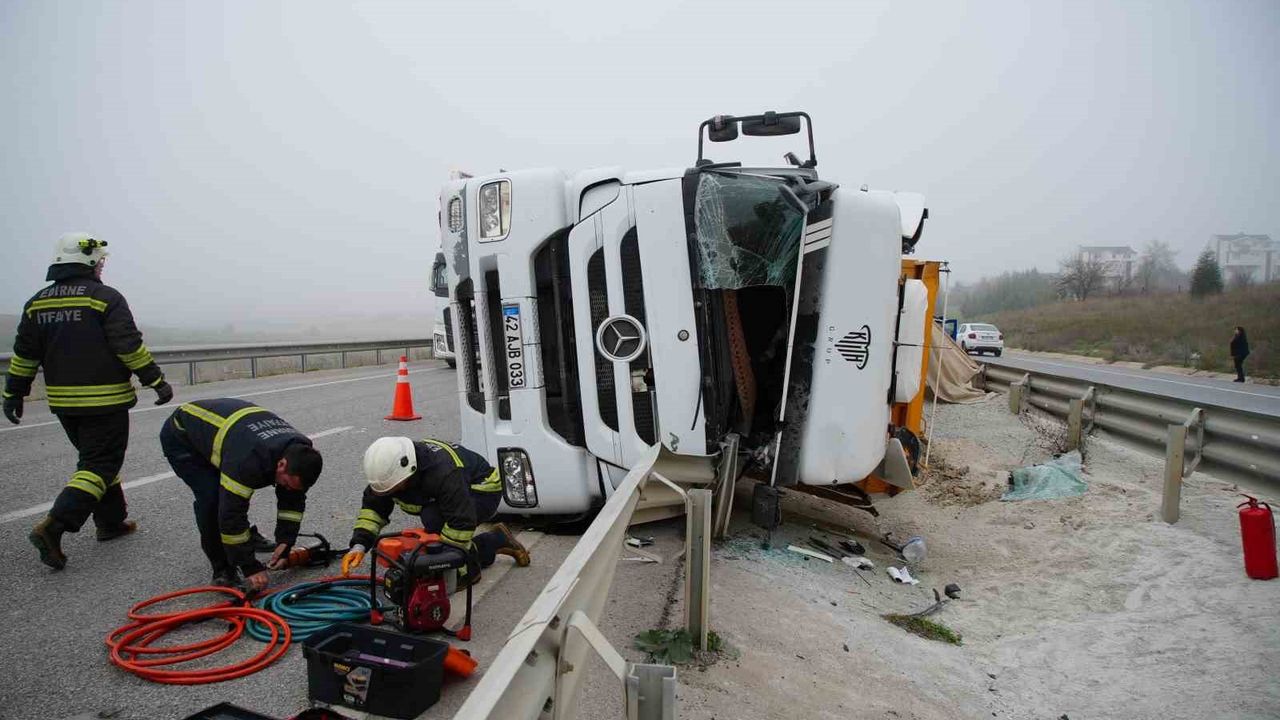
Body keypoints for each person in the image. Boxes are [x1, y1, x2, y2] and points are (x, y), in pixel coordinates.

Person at [4, 233, 173, 570]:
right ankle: (54, 527)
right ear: (90, 261)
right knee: (99, 464)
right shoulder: (104, 298)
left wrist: (13, 392)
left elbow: (24, 355)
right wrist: (155, 380)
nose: (102, 266)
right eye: (101, 261)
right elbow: (128, 346)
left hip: (64, 404)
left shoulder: (37, 303)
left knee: (97, 460)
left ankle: (111, 521)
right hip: (105, 400)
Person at [159, 398, 323, 591]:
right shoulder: (248, 460)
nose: (287, 488)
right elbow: (231, 514)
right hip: (183, 437)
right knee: (213, 499)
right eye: (286, 483)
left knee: (235, 494)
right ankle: (222, 569)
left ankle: (247, 538)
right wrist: (249, 566)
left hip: (233, 436)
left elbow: (292, 501)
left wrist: (286, 542)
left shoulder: (300, 454)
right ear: (281, 464)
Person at [340, 437, 530, 583]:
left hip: (483, 490)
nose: (389, 493)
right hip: (453, 493)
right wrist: (359, 545)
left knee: (435, 522)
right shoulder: (388, 474)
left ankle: (474, 564)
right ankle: (495, 539)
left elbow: (461, 521)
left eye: (393, 489)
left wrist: (447, 566)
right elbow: (373, 509)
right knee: (434, 526)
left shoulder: (442, 472)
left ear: (409, 471)